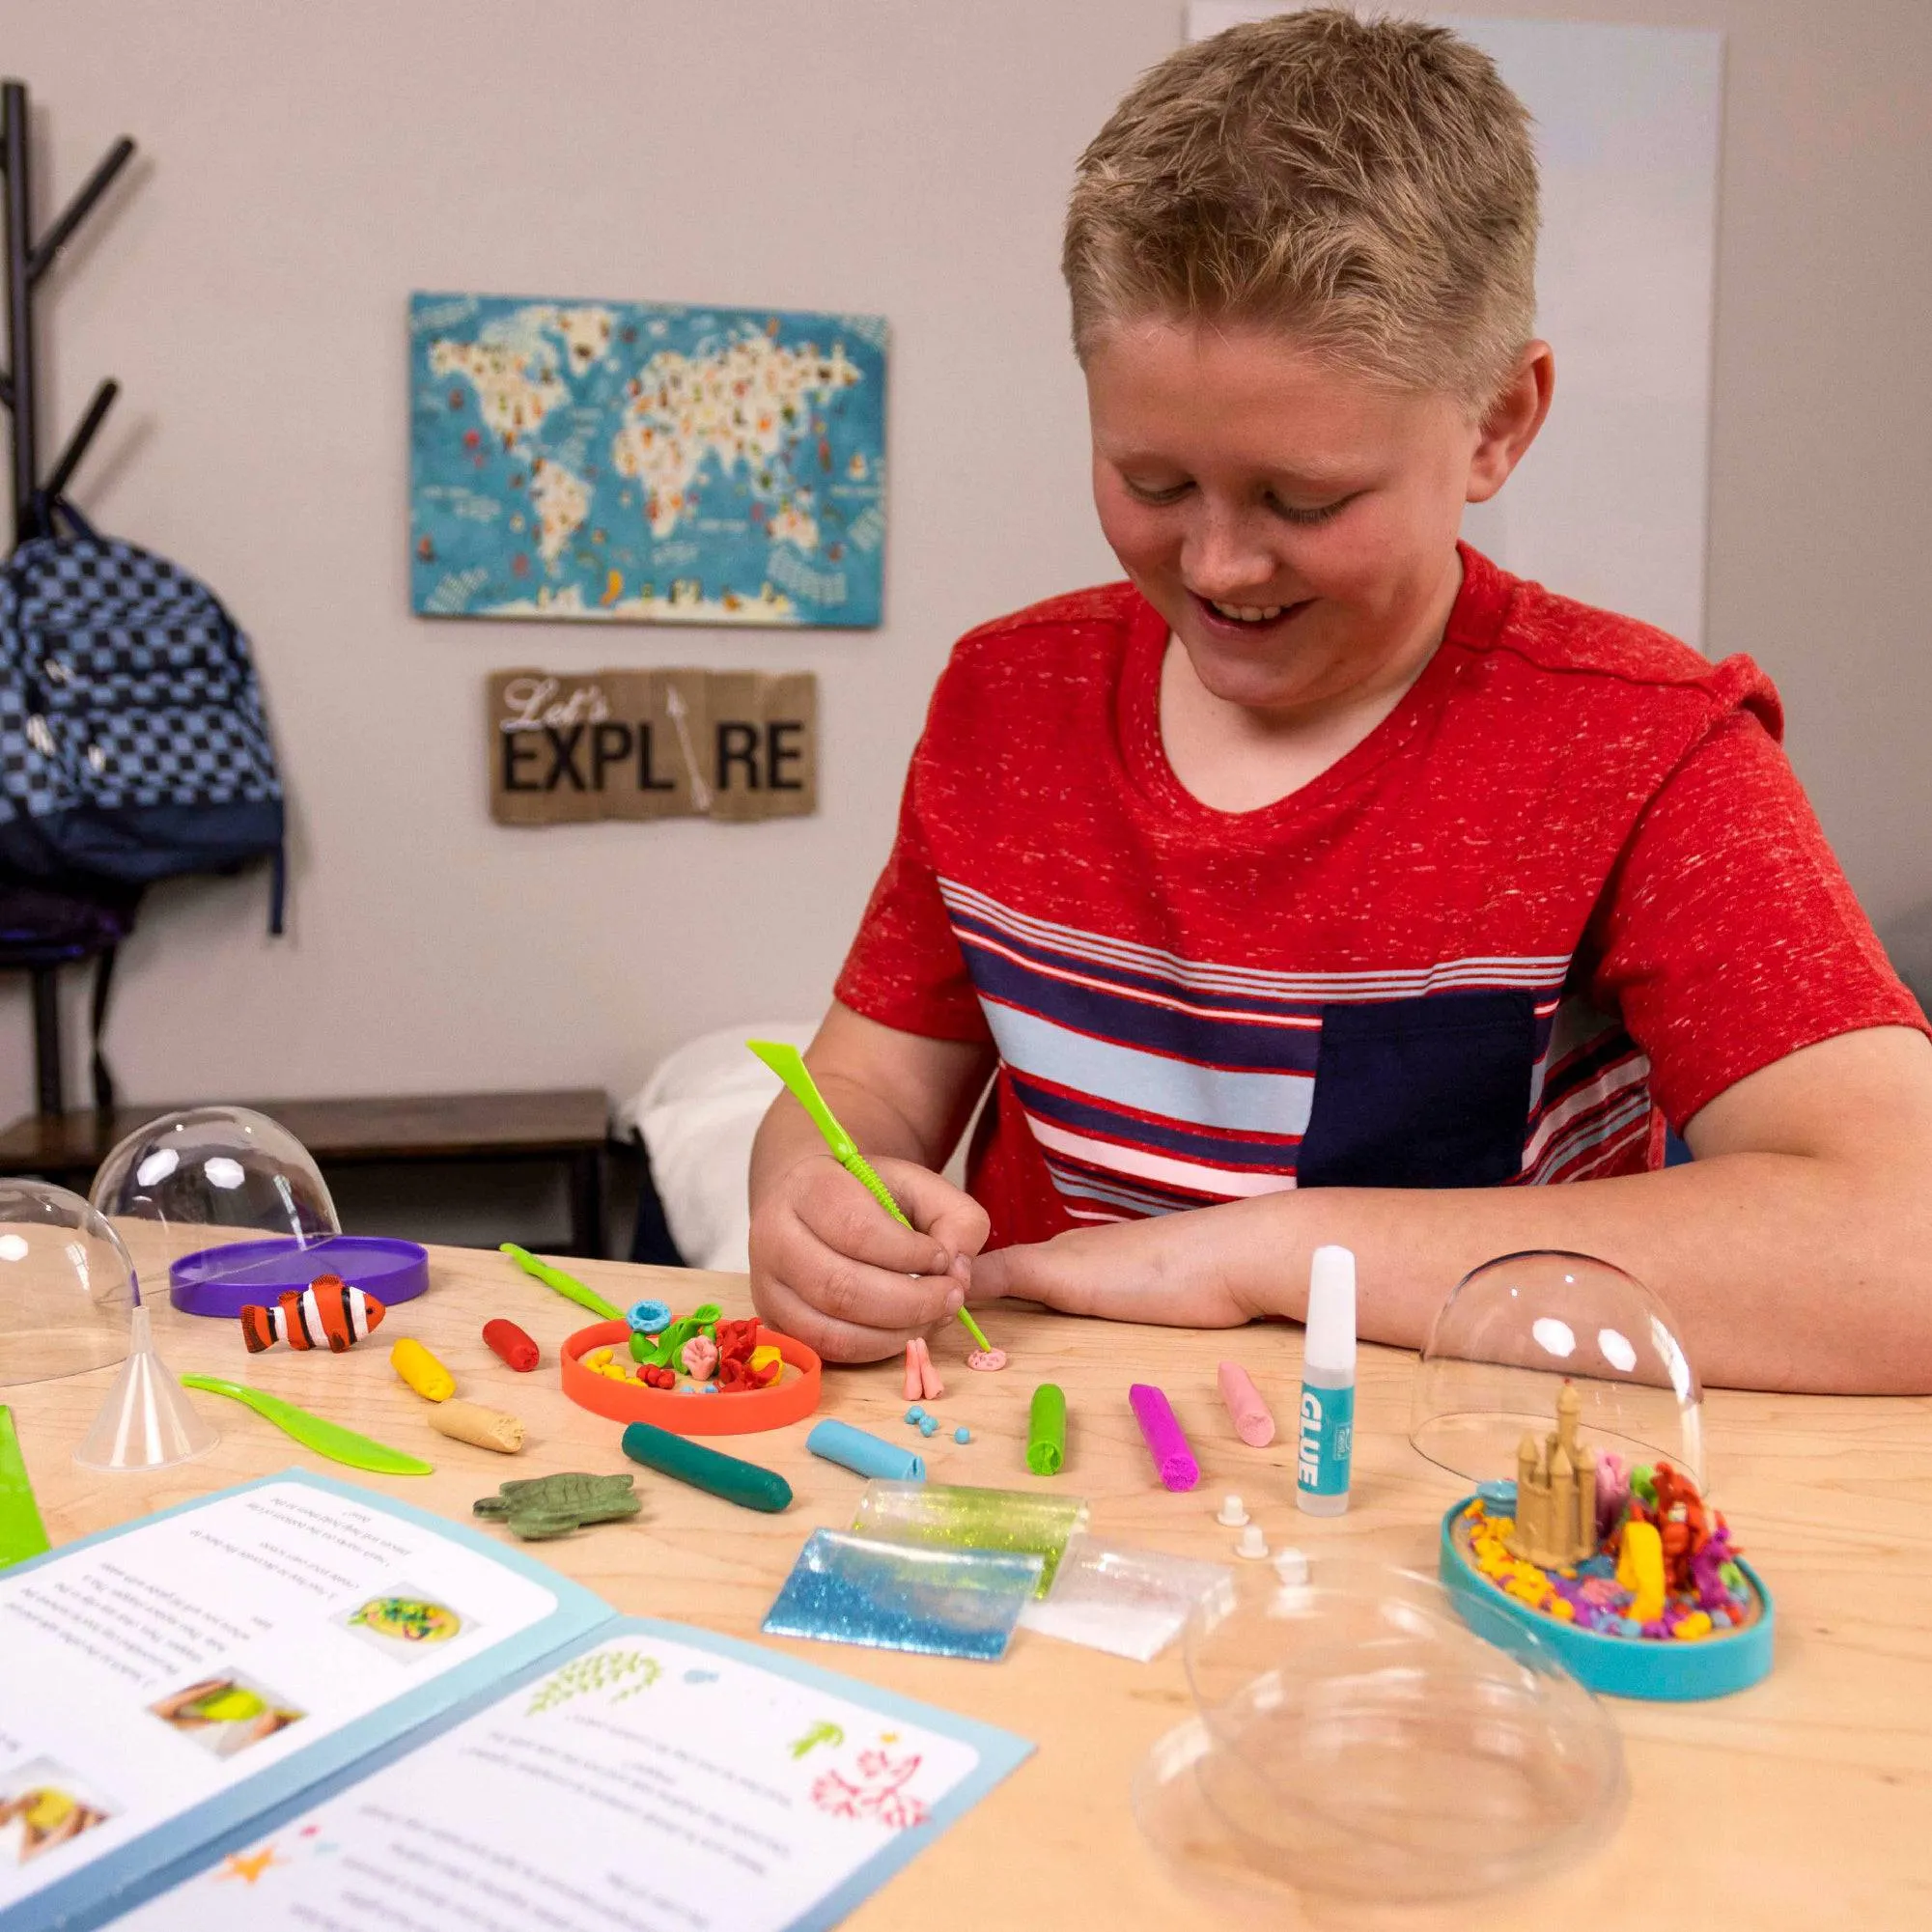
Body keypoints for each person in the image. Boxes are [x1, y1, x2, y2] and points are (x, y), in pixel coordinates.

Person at [748, 10, 1932, 1392]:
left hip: (1449, 1516)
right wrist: (810, 1196)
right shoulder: (1008, 698)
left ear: (1498, 423)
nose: (1218, 564)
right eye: (1152, 483)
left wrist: (1259, 1254)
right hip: (1035, 1473)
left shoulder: (1646, 747)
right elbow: (870, 1089)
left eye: (1306, 500)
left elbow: (1899, 1244)